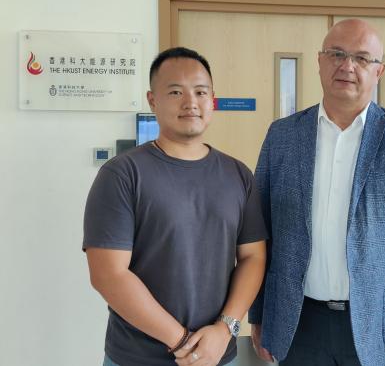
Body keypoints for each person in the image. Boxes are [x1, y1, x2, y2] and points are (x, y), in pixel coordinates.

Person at [249, 19, 385, 366]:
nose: (347, 66)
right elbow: (257, 233)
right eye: (337, 54)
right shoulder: (281, 136)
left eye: (361, 58)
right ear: (320, 60)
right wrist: (258, 313)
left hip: (380, 325)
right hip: (296, 323)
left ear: (379, 70)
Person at [83, 47, 267, 366]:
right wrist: (183, 343)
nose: (190, 102)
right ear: (153, 100)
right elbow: (108, 274)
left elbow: (253, 257)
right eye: (175, 92)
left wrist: (225, 329)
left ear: (212, 100)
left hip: (219, 356)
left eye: (200, 92)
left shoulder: (238, 175)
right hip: (137, 358)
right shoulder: (122, 175)